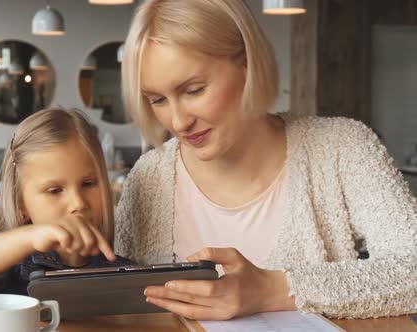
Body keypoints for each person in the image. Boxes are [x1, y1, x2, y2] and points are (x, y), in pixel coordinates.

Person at [115, 0, 417, 321]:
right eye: (158, 100)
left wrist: (273, 289)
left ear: (247, 64)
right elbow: (118, 301)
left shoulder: (343, 148)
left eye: (194, 90)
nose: (177, 122)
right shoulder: (148, 175)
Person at [0, 108, 132, 304]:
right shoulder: (11, 267)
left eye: (88, 184)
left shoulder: (124, 274)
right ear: (21, 204)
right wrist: (30, 237)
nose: (78, 203)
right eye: (54, 190)